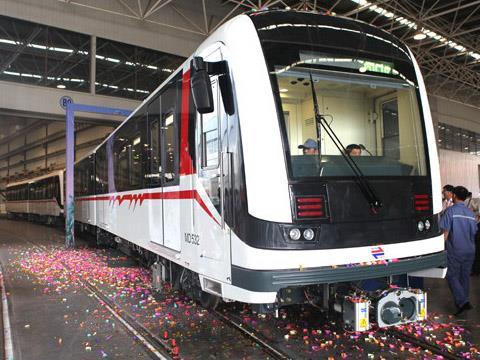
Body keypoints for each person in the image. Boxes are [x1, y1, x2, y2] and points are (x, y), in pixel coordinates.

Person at [439, 186, 477, 315]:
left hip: (455, 249)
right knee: (464, 276)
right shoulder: (471, 213)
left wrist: (439, 249)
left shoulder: (450, 211)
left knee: (451, 275)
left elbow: (445, 232)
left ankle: (463, 301)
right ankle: (462, 303)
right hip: (470, 250)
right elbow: (474, 232)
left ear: (454, 195)